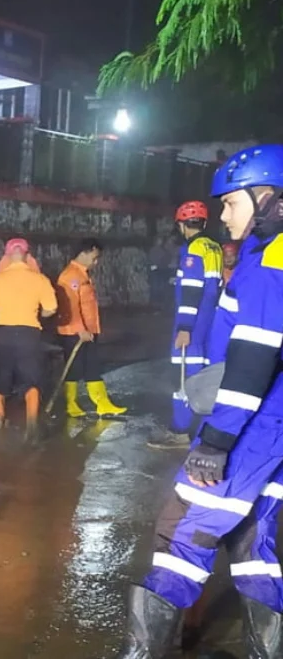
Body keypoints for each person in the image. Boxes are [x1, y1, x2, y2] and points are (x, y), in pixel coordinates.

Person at [116, 144, 283, 658]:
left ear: (270, 198)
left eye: (231, 203)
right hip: (272, 431)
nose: (221, 215)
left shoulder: (270, 266)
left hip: (251, 431)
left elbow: (254, 361)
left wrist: (214, 440)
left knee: (181, 536)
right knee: (256, 546)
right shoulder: (264, 254)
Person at [149, 201, 224, 450]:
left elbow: (192, 291)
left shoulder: (193, 249)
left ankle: (179, 431)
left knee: (182, 378)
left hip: (193, 323)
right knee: (206, 375)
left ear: (182, 225)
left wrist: (184, 327)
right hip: (211, 323)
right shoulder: (215, 247)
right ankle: (204, 429)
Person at [0, 238, 57, 431]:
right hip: (30, 333)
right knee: (31, 379)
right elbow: (51, 309)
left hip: (4, 334)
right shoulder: (40, 279)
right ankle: (32, 423)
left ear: (7, 257)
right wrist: (41, 314)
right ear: (27, 256)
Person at [54, 239, 127, 418]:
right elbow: (69, 306)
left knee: (92, 366)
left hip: (89, 330)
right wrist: (80, 329)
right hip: (75, 332)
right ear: (86, 252)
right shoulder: (70, 276)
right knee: (74, 367)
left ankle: (102, 403)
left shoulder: (83, 274)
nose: (96, 262)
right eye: (95, 257)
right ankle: (71, 404)